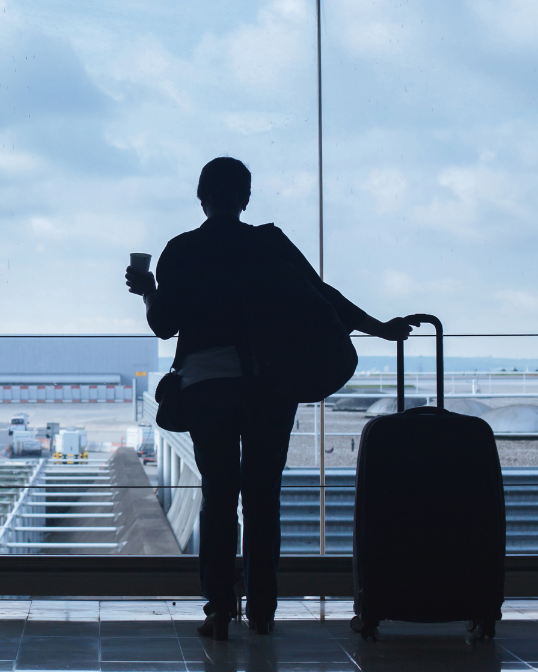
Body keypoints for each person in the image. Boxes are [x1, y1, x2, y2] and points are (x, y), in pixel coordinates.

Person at [125, 156, 409, 640]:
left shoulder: (181, 249)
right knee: (262, 498)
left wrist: (148, 290)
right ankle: (262, 611)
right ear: (246, 198)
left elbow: (164, 324)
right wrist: (379, 328)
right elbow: (322, 297)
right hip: (269, 386)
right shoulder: (269, 243)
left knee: (219, 496)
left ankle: (218, 610)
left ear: (201, 197)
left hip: (206, 386)